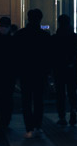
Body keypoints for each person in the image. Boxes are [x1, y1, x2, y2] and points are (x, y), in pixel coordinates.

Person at [14, 8, 51, 138]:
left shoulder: (20, 34)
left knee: (26, 101)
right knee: (39, 101)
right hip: (40, 73)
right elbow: (49, 56)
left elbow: (15, 55)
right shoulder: (45, 36)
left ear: (28, 18)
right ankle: (38, 126)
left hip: (25, 72)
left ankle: (29, 127)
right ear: (40, 19)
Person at [50, 15, 77, 126]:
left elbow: (49, 54)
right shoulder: (74, 37)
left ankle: (62, 116)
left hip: (59, 69)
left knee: (60, 94)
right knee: (72, 92)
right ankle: (73, 111)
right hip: (72, 69)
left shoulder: (55, 38)